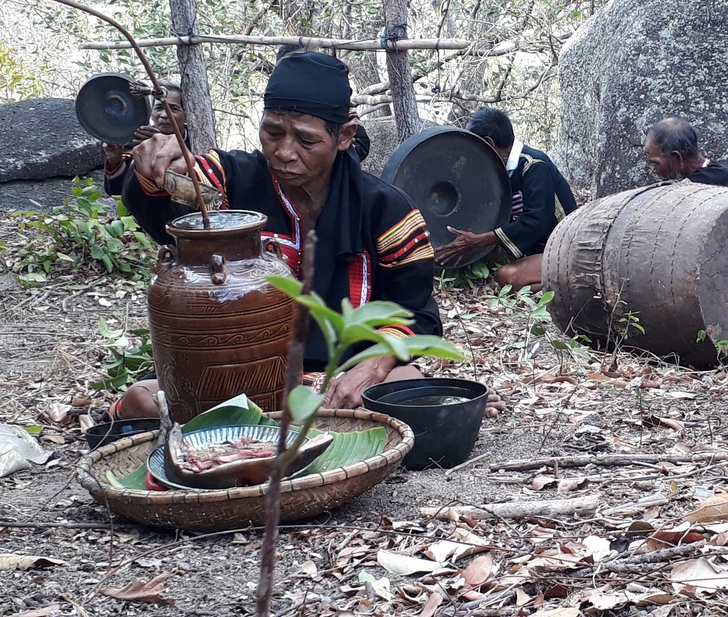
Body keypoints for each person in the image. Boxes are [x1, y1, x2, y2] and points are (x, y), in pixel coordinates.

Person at [114, 52, 504, 417]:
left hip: (340, 377)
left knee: (404, 389)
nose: (284, 152)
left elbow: (416, 314)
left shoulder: (386, 210)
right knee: (141, 402)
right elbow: (178, 197)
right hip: (237, 376)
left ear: (346, 135)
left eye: (306, 139)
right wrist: (157, 171)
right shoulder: (231, 179)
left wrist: (370, 367)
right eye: (272, 132)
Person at [435, 108, 577, 292]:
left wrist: (480, 240)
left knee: (506, 276)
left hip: (562, 245)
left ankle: (568, 281)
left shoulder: (534, 165)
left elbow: (537, 221)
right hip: (532, 246)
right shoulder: (494, 171)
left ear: (488, 143)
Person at [102, 81, 188, 196]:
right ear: (151, 113)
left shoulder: (196, 142)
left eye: (174, 109)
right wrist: (115, 160)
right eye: (158, 108)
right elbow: (115, 190)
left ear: (187, 115)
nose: (164, 115)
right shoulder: (137, 141)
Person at [643, 117, 728, 190]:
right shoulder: (718, 171)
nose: (653, 169)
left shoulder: (697, 186)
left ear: (676, 158)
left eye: (656, 163)